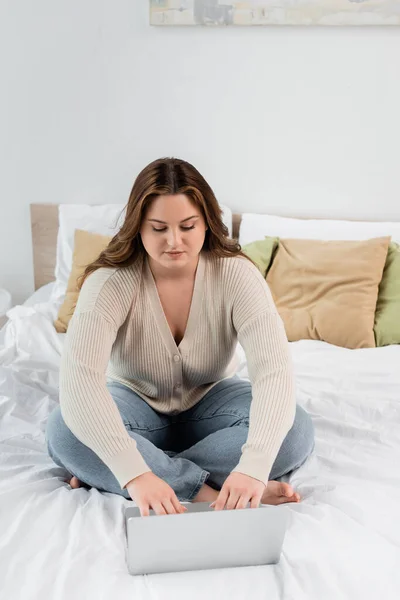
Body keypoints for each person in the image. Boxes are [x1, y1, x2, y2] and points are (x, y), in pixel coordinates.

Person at [45, 157, 315, 517]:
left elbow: (274, 373)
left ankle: (125, 470)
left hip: (214, 402)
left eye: (187, 226)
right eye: (158, 228)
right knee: (65, 429)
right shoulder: (109, 283)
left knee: (295, 429)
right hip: (132, 403)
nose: (174, 241)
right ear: (138, 227)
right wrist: (136, 473)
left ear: (207, 223)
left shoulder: (238, 276)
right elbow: (80, 383)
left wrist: (252, 468)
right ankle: (203, 492)